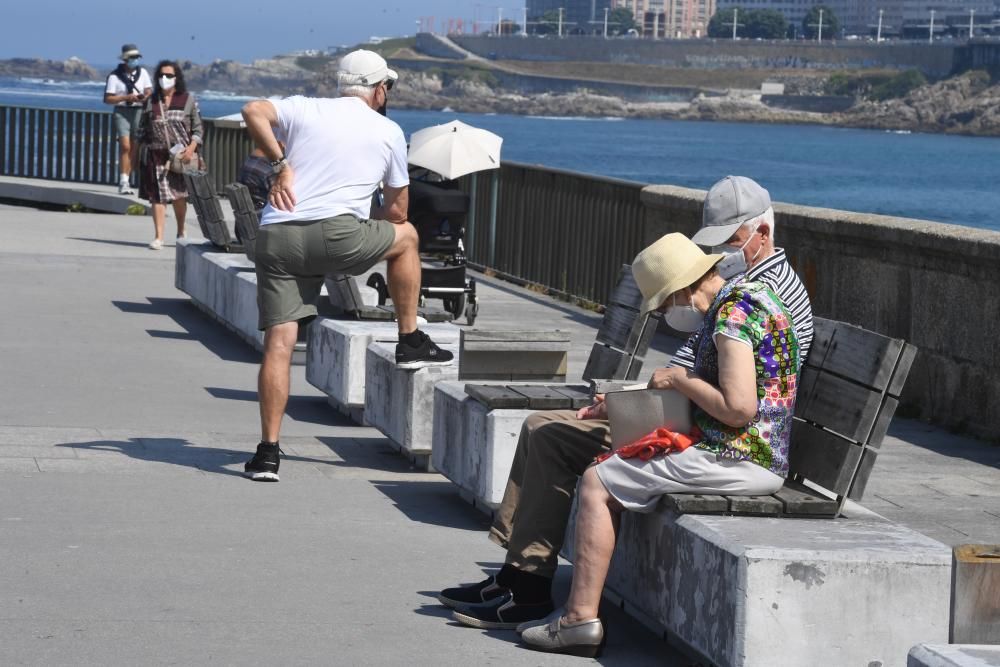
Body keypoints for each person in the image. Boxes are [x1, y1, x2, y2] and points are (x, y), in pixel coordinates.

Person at [439, 175, 813, 631]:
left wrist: (652, 393)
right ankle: (518, 576)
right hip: (698, 417)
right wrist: (631, 396)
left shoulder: (751, 300)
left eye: (729, 242)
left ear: (762, 234)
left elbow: (735, 397)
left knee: (564, 446)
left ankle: (536, 591)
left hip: (713, 431)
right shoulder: (736, 295)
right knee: (543, 426)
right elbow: (694, 370)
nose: (721, 255)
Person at [519, 232, 800, 657]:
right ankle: (577, 614)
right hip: (749, 451)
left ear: (683, 289)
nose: (669, 313)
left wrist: (678, 379)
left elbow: (739, 409)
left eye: (666, 303)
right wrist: (626, 404)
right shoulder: (748, 296)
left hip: (743, 457)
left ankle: (578, 620)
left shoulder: (734, 316)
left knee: (599, 479)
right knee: (611, 462)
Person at [239, 49, 453, 483]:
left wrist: (281, 166)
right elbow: (397, 213)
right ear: (378, 89)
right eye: (386, 87)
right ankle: (409, 339)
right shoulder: (388, 130)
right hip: (337, 237)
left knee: (279, 343)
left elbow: (252, 110)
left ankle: (267, 453)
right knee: (408, 237)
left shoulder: (304, 108)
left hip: (278, 235)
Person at [137, 61, 203, 250]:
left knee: (179, 197)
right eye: (162, 75)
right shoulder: (151, 101)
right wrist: (136, 154)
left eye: (169, 75)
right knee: (157, 197)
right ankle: (158, 237)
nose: (165, 79)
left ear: (177, 78)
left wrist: (191, 149)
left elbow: (198, 129)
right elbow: (142, 129)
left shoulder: (187, 99)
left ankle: (181, 230)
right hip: (155, 156)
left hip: (181, 157)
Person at [104, 44, 152, 195]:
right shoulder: (114, 76)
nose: (135, 60)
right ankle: (123, 181)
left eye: (137, 57)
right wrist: (126, 97)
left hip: (138, 110)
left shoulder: (143, 73)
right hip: (122, 111)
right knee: (125, 146)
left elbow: (149, 90)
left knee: (134, 146)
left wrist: (144, 97)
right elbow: (108, 98)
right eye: (132, 57)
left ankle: (127, 179)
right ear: (125, 59)